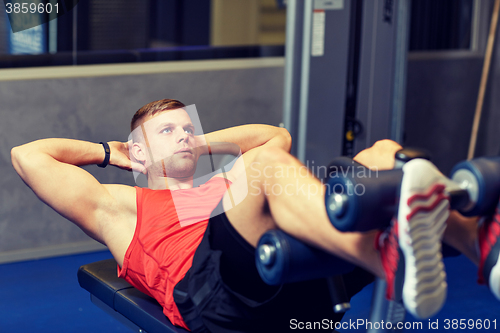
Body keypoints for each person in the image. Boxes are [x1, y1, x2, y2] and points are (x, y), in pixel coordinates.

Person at [10, 99, 500, 332]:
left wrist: (197, 142)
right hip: (211, 296)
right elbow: (27, 156)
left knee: (383, 155)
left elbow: (275, 138)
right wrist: (109, 152)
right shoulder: (119, 206)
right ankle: (390, 257)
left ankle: (485, 251)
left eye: (188, 128)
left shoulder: (219, 189)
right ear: (137, 151)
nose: (183, 135)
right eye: (167, 132)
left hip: (283, 271)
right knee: (267, 168)